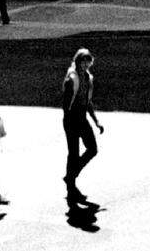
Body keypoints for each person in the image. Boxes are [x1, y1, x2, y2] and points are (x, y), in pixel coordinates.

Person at [62, 47, 103, 201]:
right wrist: (69, 123)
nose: (85, 64)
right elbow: (65, 105)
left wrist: (96, 121)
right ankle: (71, 188)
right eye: (83, 61)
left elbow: (88, 102)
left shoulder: (88, 78)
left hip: (82, 118)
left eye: (88, 61)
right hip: (72, 119)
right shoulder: (71, 79)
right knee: (73, 153)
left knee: (92, 149)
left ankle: (71, 175)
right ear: (77, 61)